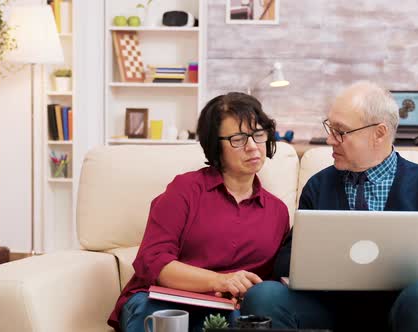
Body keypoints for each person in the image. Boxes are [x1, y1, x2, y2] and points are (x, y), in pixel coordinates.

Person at [240, 81, 418, 332]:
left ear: (379, 133)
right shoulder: (318, 186)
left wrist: (392, 266)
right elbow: (285, 262)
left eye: (341, 131)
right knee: (264, 295)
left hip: (401, 308)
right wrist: (323, 261)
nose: (329, 139)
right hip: (325, 308)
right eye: (330, 128)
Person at [108, 92, 291, 332]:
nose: (252, 146)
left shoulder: (277, 212)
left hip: (227, 313)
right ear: (216, 146)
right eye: (238, 138)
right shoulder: (185, 190)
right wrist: (220, 280)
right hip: (161, 301)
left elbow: (268, 284)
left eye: (258, 135)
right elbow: (154, 262)